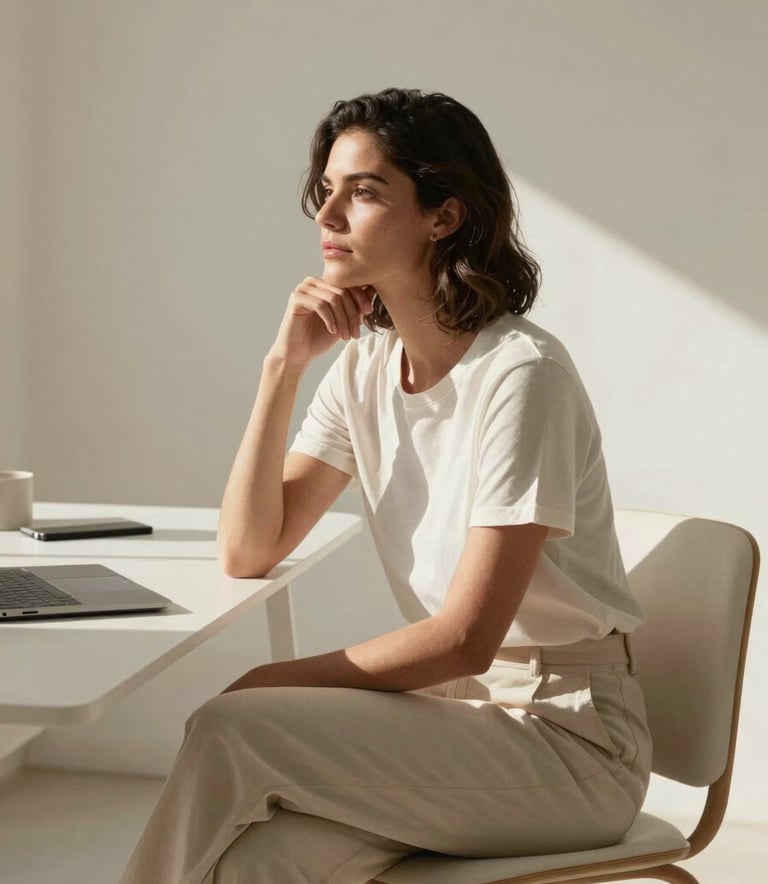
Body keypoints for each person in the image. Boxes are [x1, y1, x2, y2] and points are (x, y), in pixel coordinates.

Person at [119, 88, 652, 884]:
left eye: (364, 193)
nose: (329, 214)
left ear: (443, 215)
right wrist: (282, 367)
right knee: (260, 863)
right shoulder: (365, 367)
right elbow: (248, 549)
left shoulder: (521, 376)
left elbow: (467, 638)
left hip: (568, 743)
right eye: (327, 189)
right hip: (458, 724)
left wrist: (274, 680)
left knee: (236, 727)